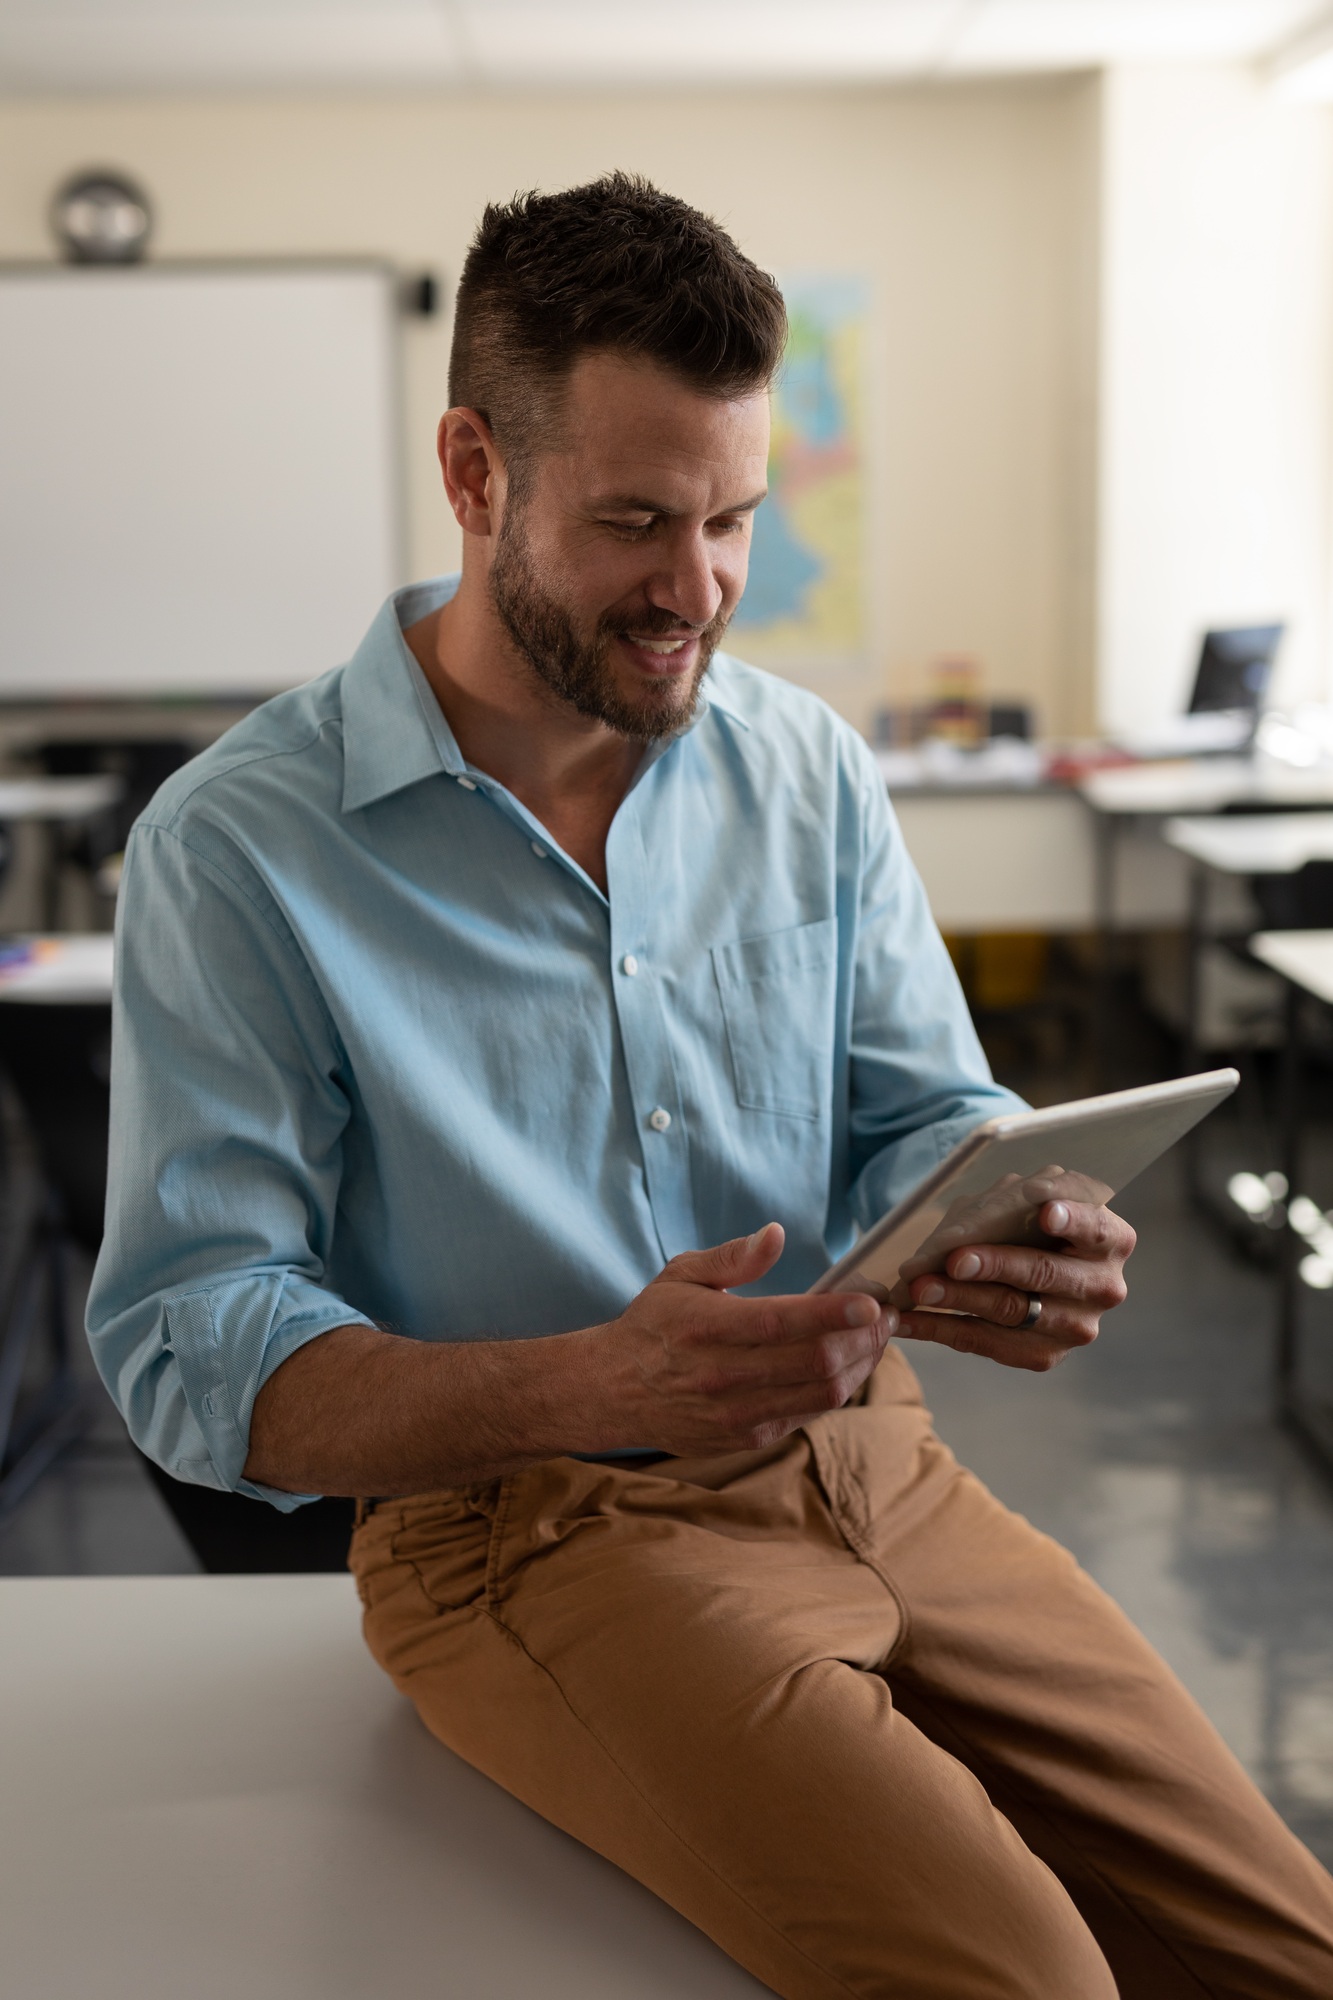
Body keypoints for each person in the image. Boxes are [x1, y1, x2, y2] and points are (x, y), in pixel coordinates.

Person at [88, 174, 1333, 1998]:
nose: (699, 589)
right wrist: (595, 1378)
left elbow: (923, 1111)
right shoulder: (237, 848)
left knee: (1288, 1951)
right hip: (532, 1527)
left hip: (874, 1461)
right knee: (1034, 1985)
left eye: (735, 518)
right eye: (634, 522)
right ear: (471, 469)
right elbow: (189, 1355)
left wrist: (1005, 1224)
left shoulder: (801, 767)